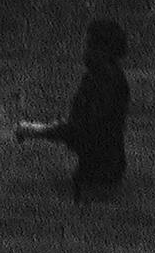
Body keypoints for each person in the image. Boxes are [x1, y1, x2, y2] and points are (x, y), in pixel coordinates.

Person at [16, 18, 128, 198]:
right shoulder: (102, 77)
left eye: (90, 45)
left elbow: (85, 126)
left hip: (100, 170)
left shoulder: (105, 82)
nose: (85, 51)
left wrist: (38, 131)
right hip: (100, 164)